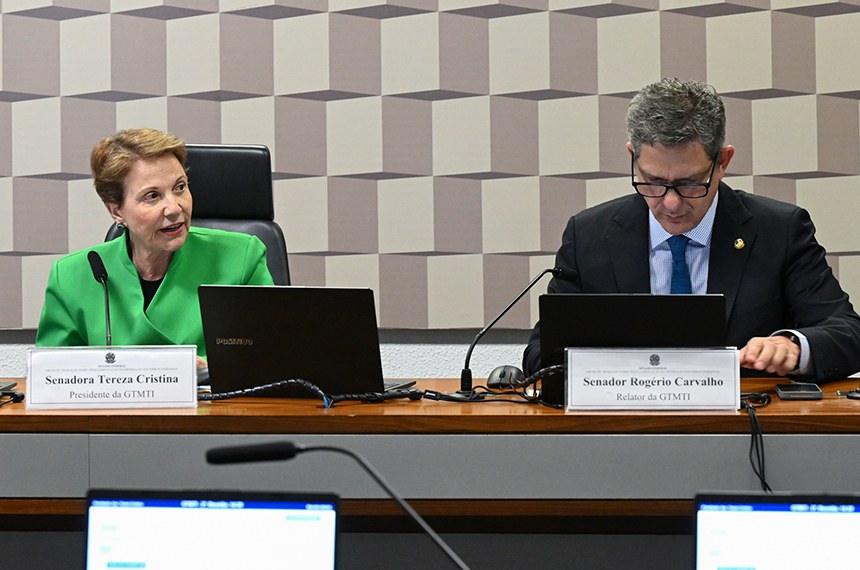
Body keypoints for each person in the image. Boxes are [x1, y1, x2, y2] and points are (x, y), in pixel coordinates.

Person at [523, 78, 860, 382]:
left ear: (722, 162)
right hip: (624, 422)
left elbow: (848, 333)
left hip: (744, 423)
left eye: (690, 183)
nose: (671, 203)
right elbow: (541, 354)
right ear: (632, 156)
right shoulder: (589, 235)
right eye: (653, 181)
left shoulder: (779, 230)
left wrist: (794, 346)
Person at [36, 128, 274, 365]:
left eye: (180, 187)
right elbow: (53, 374)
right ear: (116, 211)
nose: (174, 208)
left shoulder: (241, 257)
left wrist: (208, 369)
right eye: (152, 196)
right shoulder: (71, 277)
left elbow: (272, 357)